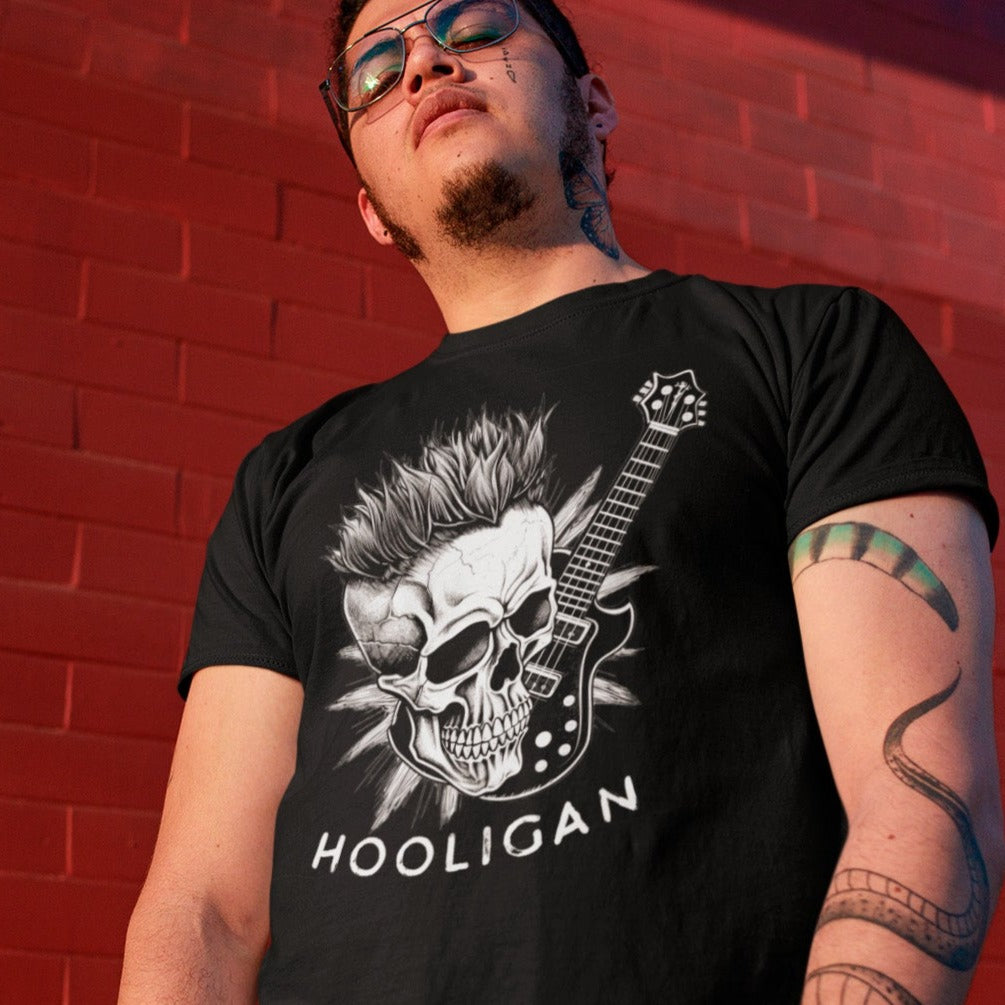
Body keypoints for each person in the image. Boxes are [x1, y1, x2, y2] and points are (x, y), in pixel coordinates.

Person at [118, 1, 1002, 1001]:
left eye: (472, 27)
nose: (422, 65)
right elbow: (204, 910)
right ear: (369, 209)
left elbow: (920, 795)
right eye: (374, 69)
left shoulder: (811, 353)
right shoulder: (285, 477)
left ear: (594, 102)